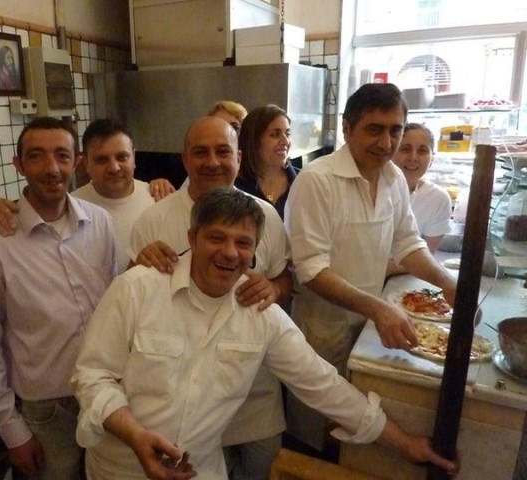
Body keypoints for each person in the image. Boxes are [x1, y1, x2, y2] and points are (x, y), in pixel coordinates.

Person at [72, 187, 460, 480]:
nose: (229, 252)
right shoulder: (138, 288)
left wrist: (407, 444)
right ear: (192, 239)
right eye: (216, 238)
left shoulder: (259, 313)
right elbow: (92, 376)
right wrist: (136, 436)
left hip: (198, 470)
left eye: (242, 243)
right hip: (119, 468)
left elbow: (324, 385)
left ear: (255, 250)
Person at [284, 83, 458, 450]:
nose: (386, 142)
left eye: (395, 130)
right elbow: (311, 269)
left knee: (360, 423)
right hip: (322, 329)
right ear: (347, 129)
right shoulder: (318, 181)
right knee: (317, 428)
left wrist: (447, 282)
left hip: (366, 327)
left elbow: (408, 243)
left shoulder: (393, 179)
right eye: (374, 129)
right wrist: (378, 308)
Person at [128, 116, 292, 479]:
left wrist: (276, 288)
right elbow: (128, 293)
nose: (213, 162)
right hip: (182, 400)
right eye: (201, 152)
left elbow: (285, 276)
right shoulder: (153, 219)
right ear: (185, 159)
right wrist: (138, 263)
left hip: (254, 390)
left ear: (238, 157)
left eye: (223, 152)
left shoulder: (264, 214)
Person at [0, 117, 117, 479]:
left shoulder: (100, 223)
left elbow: (116, 307)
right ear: (18, 164)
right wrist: (12, 432)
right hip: (47, 413)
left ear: (77, 162)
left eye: (62, 156)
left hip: (107, 394)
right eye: (36, 156)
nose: (52, 168)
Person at [0, 119, 175, 273]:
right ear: (84, 164)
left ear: (134, 158)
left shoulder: (159, 197)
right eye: (102, 160)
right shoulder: (75, 210)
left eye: (122, 157)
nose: (114, 167)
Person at [387, 123, 452, 276]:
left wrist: (377, 270)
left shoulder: (438, 199)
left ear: (432, 159)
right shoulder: (372, 188)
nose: (413, 157)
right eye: (405, 149)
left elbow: (425, 257)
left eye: (422, 151)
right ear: (391, 153)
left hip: (401, 279)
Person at [236, 104, 298, 220]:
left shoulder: (303, 181)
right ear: (253, 140)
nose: (285, 141)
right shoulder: (235, 185)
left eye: (287, 134)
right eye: (275, 134)